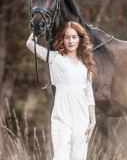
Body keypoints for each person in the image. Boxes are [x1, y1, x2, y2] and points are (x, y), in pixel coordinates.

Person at [26, 21, 97, 160]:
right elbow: (30, 44)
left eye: (74, 37)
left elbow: (89, 93)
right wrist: (36, 28)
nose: (70, 41)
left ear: (80, 39)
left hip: (81, 117)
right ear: (62, 39)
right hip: (61, 115)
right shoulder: (54, 58)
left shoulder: (86, 64)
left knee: (79, 156)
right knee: (61, 156)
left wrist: (93, 120)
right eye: (67, 37)